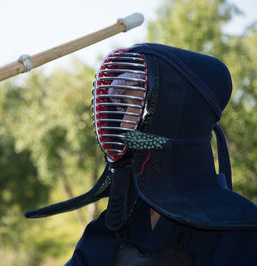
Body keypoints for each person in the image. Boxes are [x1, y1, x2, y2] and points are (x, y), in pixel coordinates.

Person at [25, 43, 257, 265]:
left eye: (135, 104)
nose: (125, 123)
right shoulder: (108, 232)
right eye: (122, 107)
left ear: (179, 114)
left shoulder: (242, 232)